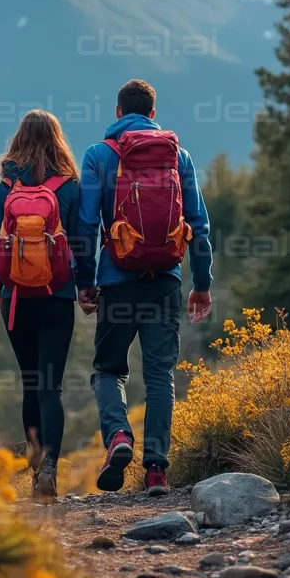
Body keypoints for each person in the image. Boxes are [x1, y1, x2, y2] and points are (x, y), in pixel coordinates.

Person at [78, 79, 212, 495]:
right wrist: (202, 283)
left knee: (108, 369)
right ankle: (156, 471)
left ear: (118, 113)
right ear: (153, 115)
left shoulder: (99, 155)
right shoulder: (179, 157)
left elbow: (84, 225)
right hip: (166, 282)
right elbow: (199, 225)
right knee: (159, 376)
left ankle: (118, 437)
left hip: (118, 280)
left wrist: (85, 282)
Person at [0, 110, 94, 500]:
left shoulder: (5, 188)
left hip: (15, 301)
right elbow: (80, 244)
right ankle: (49, 469)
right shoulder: (70, 187)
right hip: (57, 298)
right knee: (51, 387)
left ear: (18, 140)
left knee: (31, 383)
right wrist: (86, 288)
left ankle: (33, 468)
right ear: (58, 140)